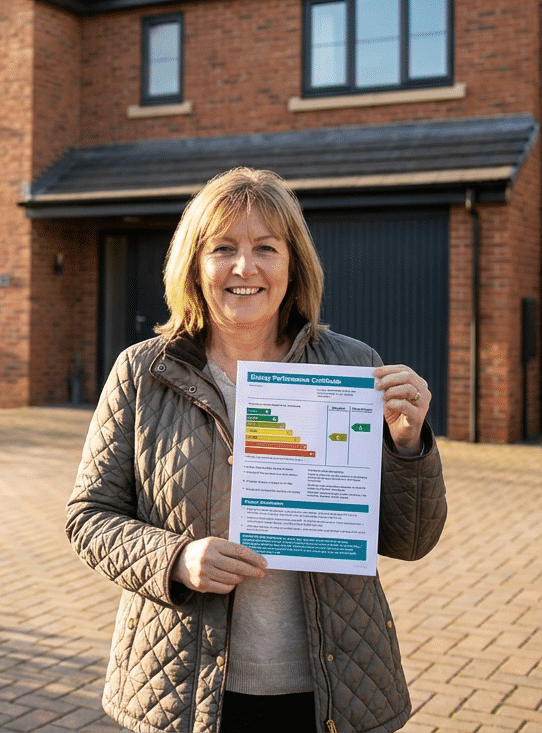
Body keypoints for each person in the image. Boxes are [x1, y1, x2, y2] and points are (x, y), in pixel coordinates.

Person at [66, 167, 447, 733]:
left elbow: (410, 540)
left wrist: (408, 444)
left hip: (329, 690)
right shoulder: (143, 372)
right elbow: (87, 518)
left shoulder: (352, 367)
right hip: (183, 685)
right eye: (223, 248)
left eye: (265, 247)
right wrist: (174, 559)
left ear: (292, 265)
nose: (245, 267)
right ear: (196, 265)